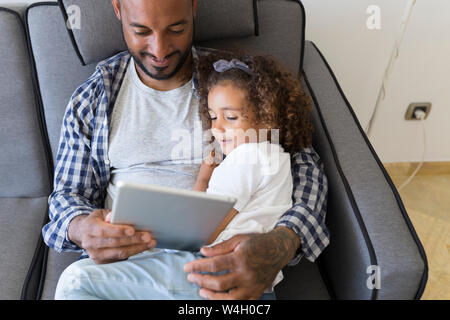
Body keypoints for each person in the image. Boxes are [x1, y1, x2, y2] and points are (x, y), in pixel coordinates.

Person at [44, 0, 329, 300]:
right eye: (141, 30)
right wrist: (80, 228)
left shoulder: (232, 82)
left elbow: (305, 165)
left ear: (194, 6)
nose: (160, 49)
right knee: (77, 284)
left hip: (218, 265)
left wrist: (283, 241)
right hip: (126, 271)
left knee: (76, 283)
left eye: (176, 29)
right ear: (117, 8)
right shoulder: (94, 98)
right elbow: (66, 197)